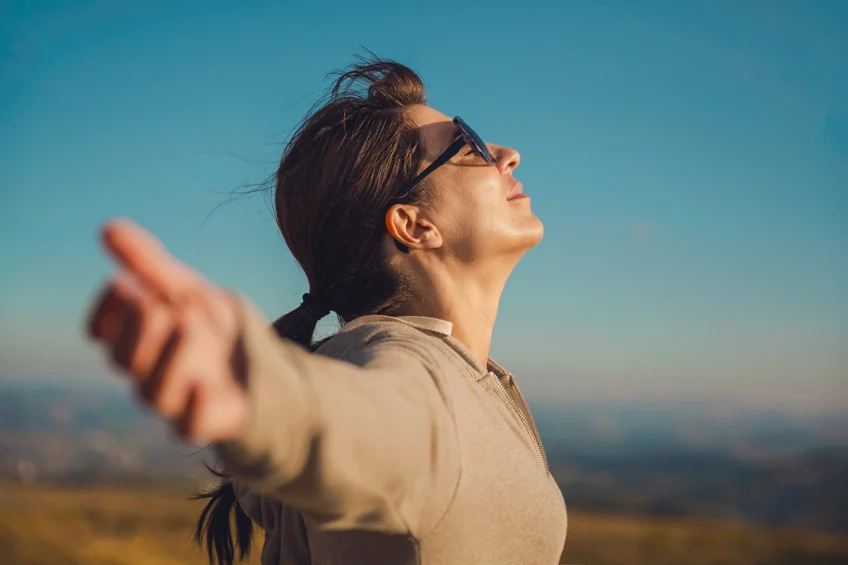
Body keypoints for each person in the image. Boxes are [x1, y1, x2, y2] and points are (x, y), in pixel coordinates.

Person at [86, 57, 567, 565]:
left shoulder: (462, 374)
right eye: (466, 142)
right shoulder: (406, 367)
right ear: (414, 224)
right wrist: (264, 393)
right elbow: (368, 424)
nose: (507, 154)